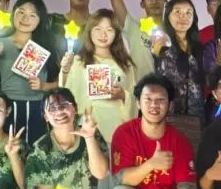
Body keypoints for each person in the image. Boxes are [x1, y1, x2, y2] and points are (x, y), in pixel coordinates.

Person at [0, 0, 59, 145]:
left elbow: (64, 81)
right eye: (21, 12)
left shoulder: (47, 46)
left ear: (40, 20)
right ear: (13, 13)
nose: (25, 18)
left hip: (39, 106)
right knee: (10, 148)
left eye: (33, 15)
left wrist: (44, 86)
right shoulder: (2, 42)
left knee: (37, 150)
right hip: (9, 106)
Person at [63, 8, 154, 142]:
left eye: (109, 30)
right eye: (98, 29)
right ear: (89, 31)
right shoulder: (78, 61)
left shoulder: (125, 64)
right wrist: (65, 70)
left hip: (117, 125)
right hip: (88, 125)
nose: (103, 34)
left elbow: (134, 94)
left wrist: (122, 95)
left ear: (116, 34)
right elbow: (66, 93)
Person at [153, 0, 205, 149]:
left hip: (195, 115)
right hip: (168, 113)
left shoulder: (198, 46)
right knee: (169, 155)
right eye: (177, 12)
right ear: (168, 15)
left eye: (188, 12)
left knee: (193, 155)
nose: (183, 17)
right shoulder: (161, 42)